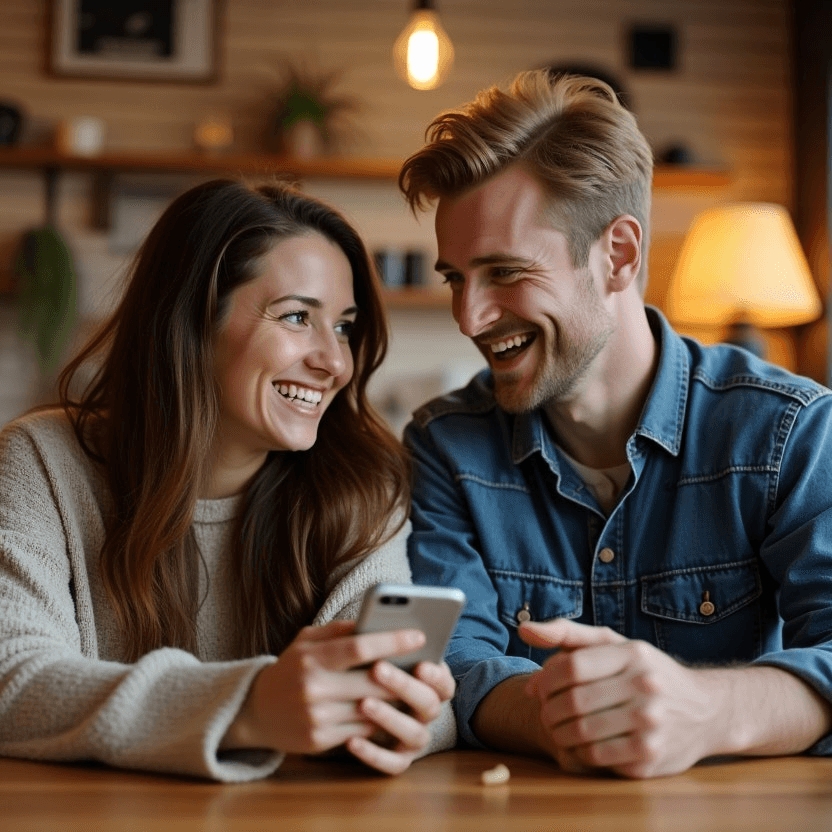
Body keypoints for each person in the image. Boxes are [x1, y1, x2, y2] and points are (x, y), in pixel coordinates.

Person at [398, 69, 832, 779]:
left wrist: (702, 708)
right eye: (455, 278)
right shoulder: (443, 446)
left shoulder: (790, 433)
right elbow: (455, 665)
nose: (468, 317)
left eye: (505, 272)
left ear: (619, 255)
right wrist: (576, 716)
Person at [0, 179, 455, 781]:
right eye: (297, 317)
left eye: (343, 326)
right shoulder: (41, 464)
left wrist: (409, 714)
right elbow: (12, 676)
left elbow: (379, 697)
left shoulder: (362, 490)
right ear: (189, 321)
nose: (335, 361)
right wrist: (251, 705)